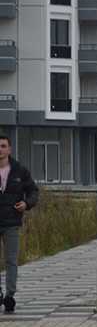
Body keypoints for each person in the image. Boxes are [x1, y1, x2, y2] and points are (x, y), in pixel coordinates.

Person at [0, 134, 39, 314]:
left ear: (9, 149)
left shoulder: (19, 170)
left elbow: (33, 191)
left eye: (3, 146)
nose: (0, 150)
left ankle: (10, 295)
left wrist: (26, 203)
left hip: (11, 222)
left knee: (11, 260)